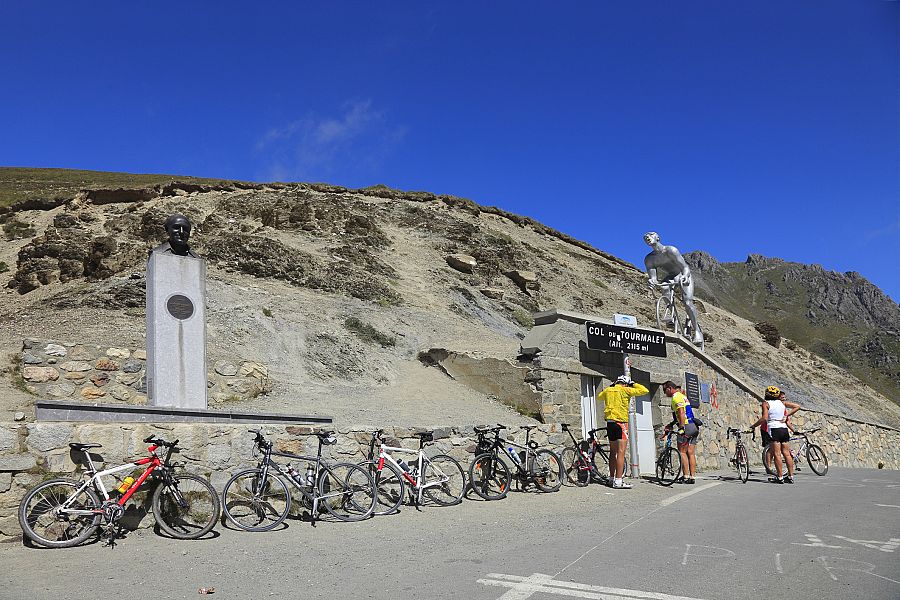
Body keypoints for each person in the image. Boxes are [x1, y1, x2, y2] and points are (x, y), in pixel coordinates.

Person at [643, 232, 703, 345]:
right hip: (671, 276)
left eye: (650, 235)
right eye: (645, 238)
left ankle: (697, 331)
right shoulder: (649, 259)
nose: (647, 238)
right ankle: (673, 317)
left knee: (687, 302)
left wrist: (685, 276)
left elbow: (685, 267)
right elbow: (653, 278)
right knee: (664, 287)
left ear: (657, 237)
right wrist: (651, 282)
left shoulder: (671, 250)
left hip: (683, 275)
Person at [598, 375, 649, 489]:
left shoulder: (608, 390)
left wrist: (611, 386)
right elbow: (644, 390)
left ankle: (611, 478)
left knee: (612, 452)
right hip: (621, 423)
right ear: (625, 384)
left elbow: (599, 396)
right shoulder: (626, 390)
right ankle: (619, 481)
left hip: (610, 423)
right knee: (621, 452)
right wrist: (633, 384)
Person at [750, 386, 801, 483]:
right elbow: (797, 406)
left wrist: (753, 426)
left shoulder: (766, 403)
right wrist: (786, 415)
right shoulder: (782, 403)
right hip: (784, 429)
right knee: (787, 454)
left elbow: (764, 418)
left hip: (774, 428)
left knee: (777, 454)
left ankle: (780, 477)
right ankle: (791, 477)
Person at [663, 380, 700, 484]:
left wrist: (681, 427)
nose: (664, 393)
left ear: (670, 388)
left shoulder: (676, 397)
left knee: (682, 452)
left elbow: (681, 413)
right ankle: (692, 477)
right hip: (694, 426)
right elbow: (679, 415)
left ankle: (685, 476)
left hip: (686, 426)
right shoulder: (683, 396)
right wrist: (671, 424)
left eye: (665, 390)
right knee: (691, 453)